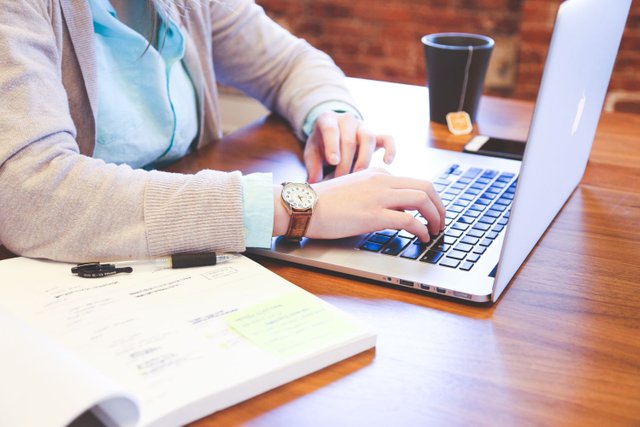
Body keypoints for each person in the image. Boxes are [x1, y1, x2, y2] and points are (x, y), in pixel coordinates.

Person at [0, 0, 445, 263]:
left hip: (174, 261)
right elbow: (29, 192)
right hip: (59, 278)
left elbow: (288, 63)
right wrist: (295, 208)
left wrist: (331, 114)